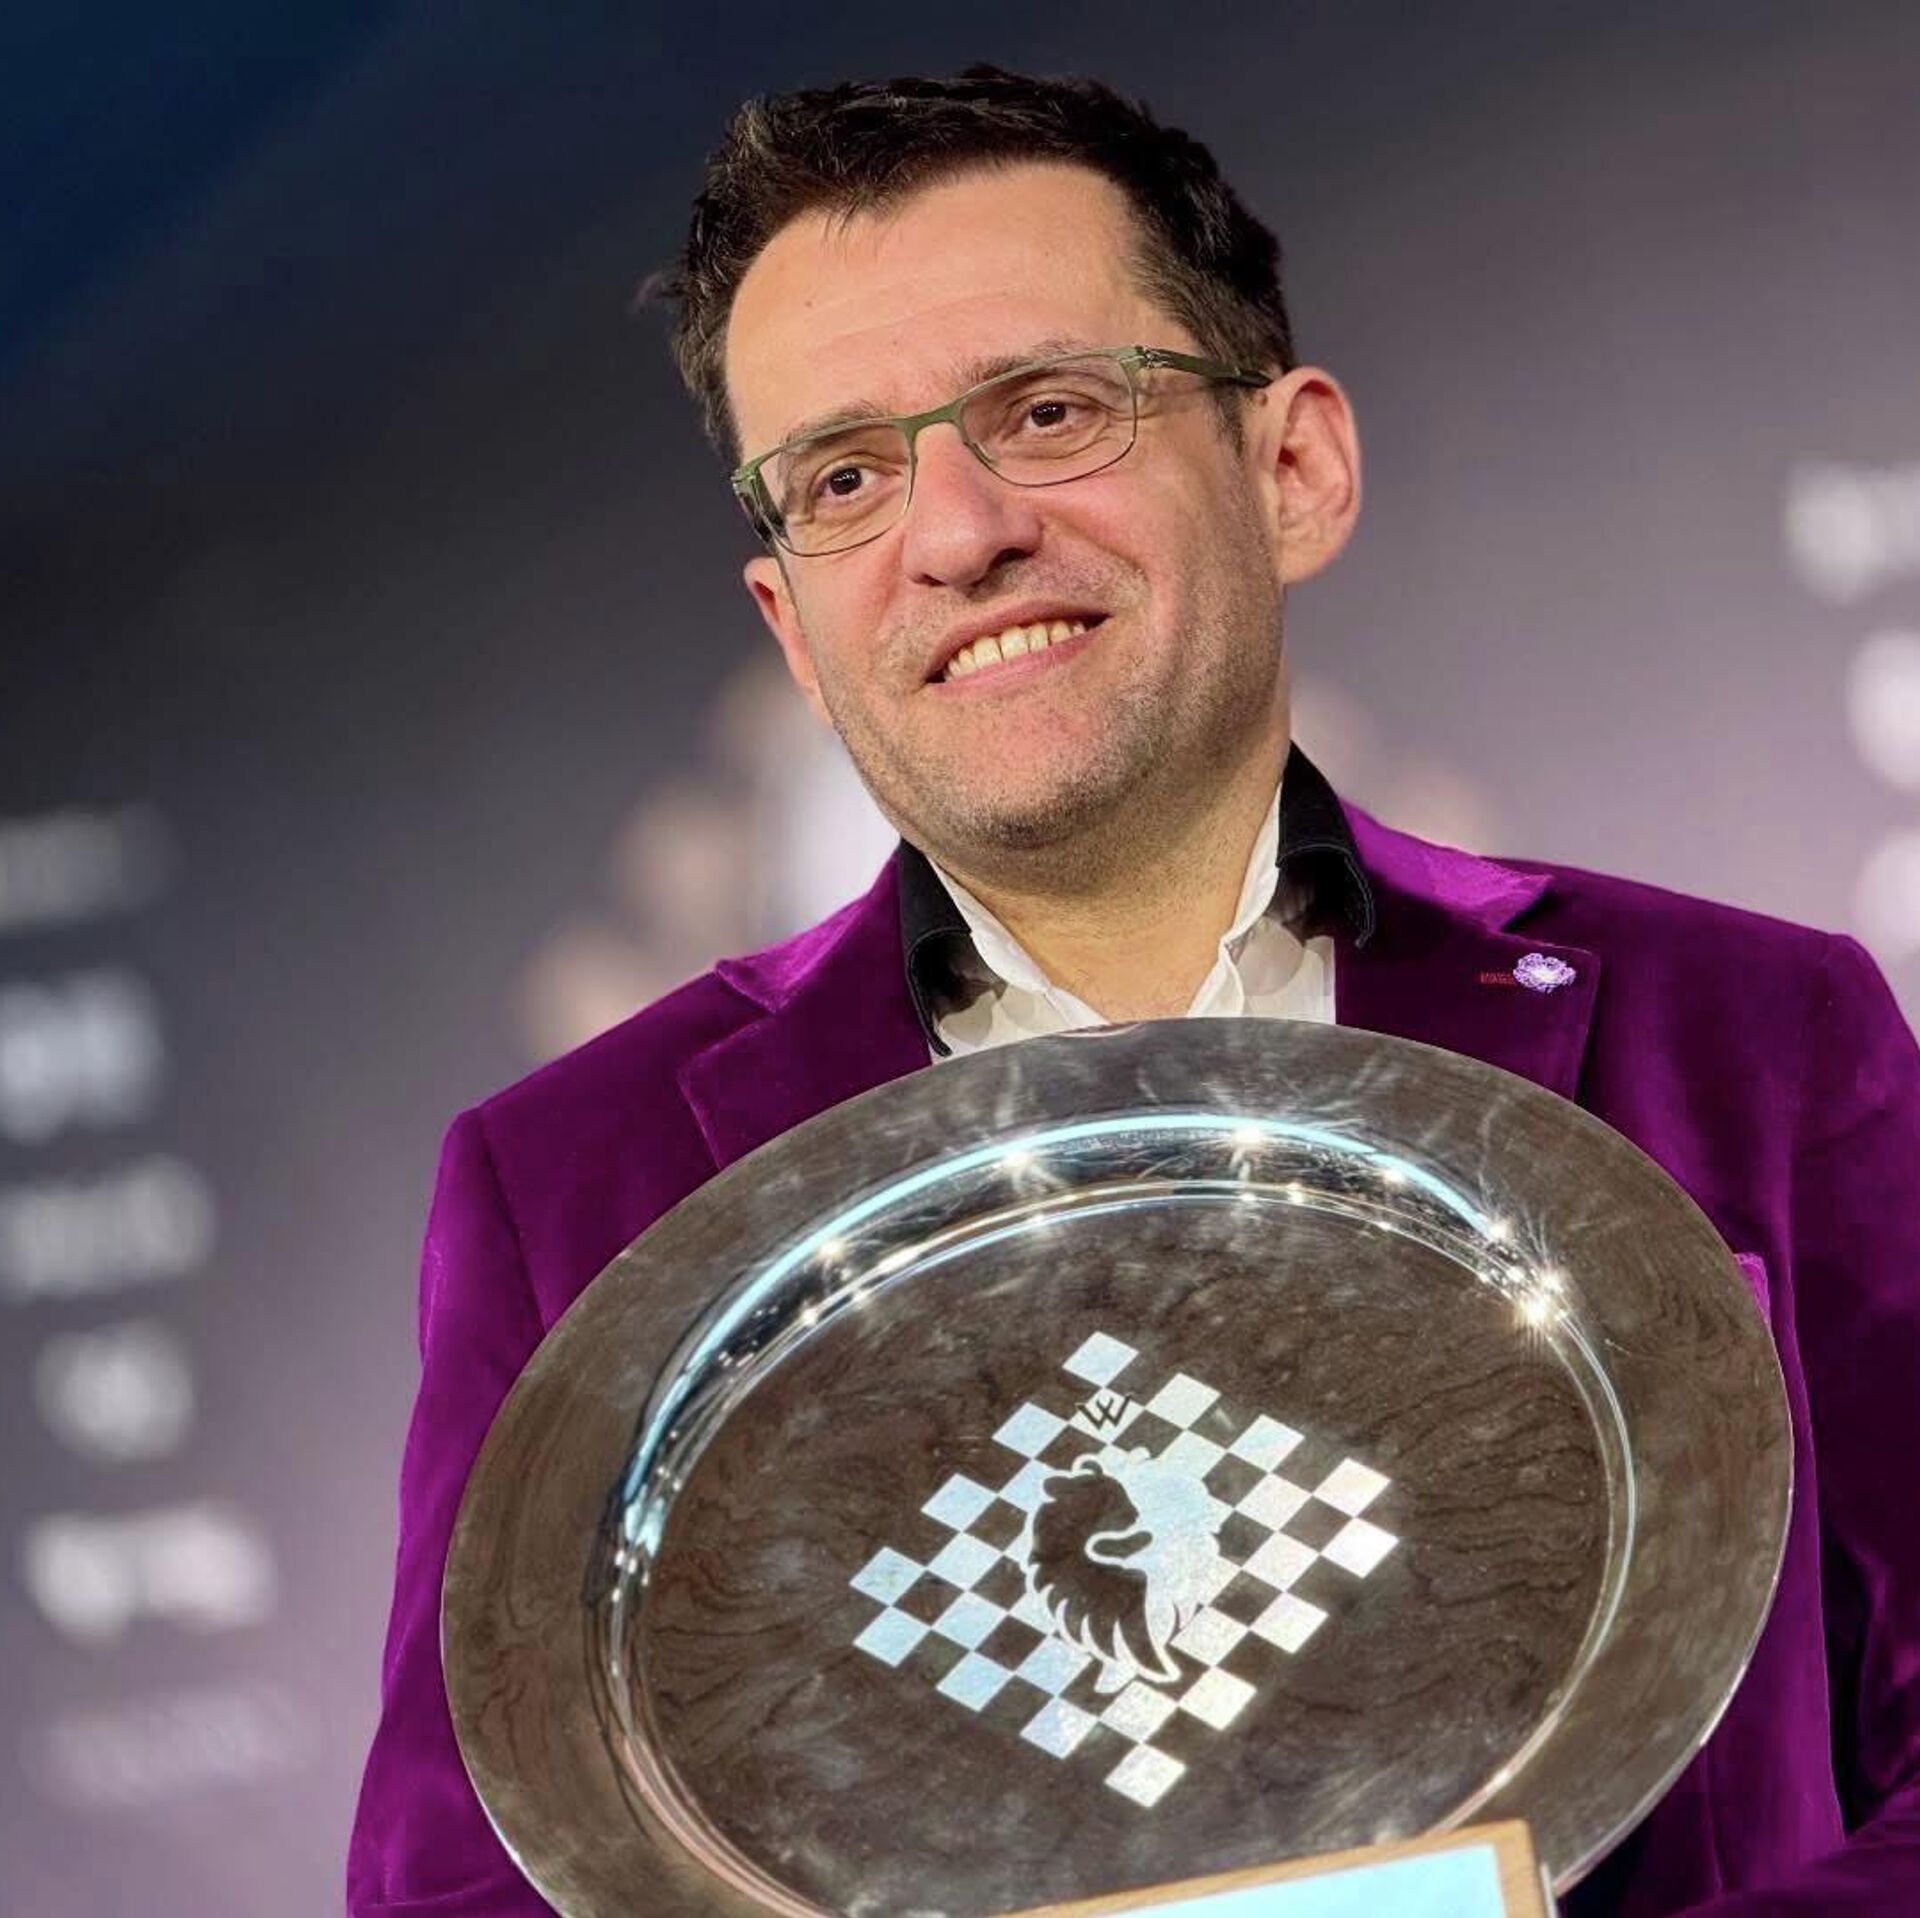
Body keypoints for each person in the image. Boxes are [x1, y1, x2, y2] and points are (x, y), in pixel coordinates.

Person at [347, 67, 1920, 1916]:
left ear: (1291, 468)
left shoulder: (1752, 1036)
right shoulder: (573, 1188)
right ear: (792, 628)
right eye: (845, 478)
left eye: (1047, 410)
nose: (956, 534)